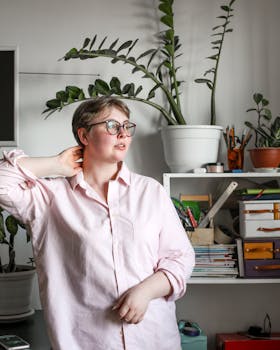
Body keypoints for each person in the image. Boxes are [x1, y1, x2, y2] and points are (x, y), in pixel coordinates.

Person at [0, 96, 195, 350]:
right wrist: (55, 164)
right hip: (86, 343)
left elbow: (181, 258)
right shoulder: (50, 199)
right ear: (84, 135)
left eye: (127, 126)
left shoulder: (151, 192)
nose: (123, 134)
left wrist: (145, 291)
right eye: (113, 126)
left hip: (155, 340)